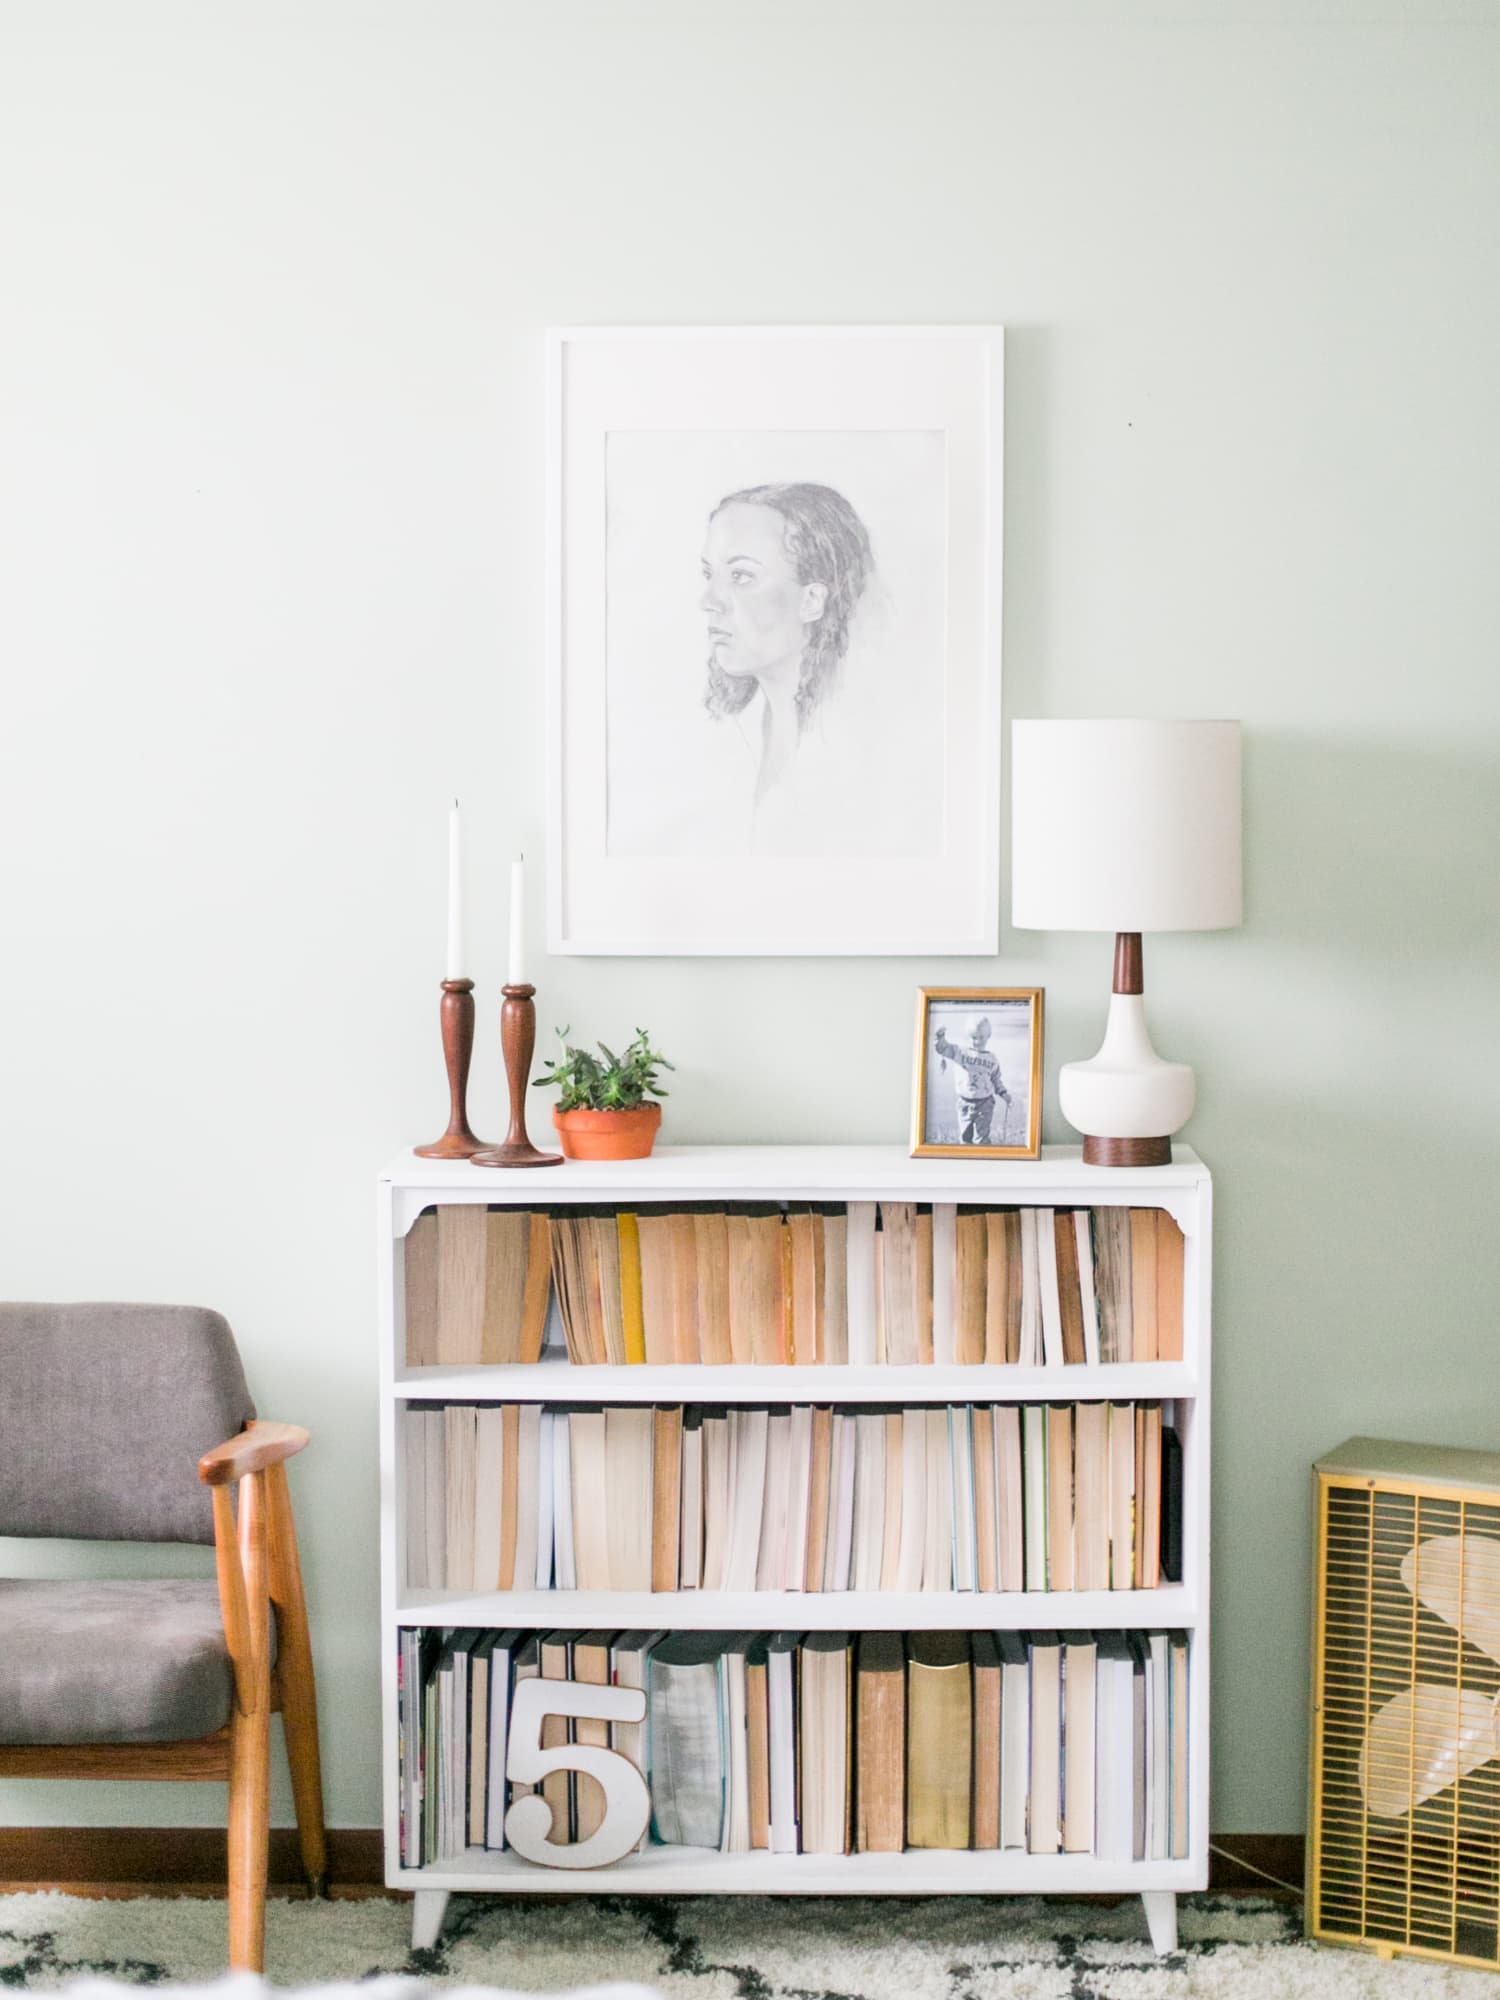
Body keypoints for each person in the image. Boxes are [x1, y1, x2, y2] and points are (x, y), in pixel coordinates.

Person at [700, 481, 873, 813]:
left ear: (811, 600)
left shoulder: (857, 745)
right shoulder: (731, 734)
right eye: (708, 574)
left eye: (740, 576)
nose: (707, 601)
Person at [934, 1015, 1011, 1145]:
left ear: (988, 1036)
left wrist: (1003, 1093)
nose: (977, 1041)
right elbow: (943, 1048)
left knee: (981, 1139)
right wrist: (939, 1037)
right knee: (965, 1138)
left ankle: (984, 1160)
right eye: (974, 1037)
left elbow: (996, 1079)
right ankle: (967, 1162)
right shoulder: (960, 1053)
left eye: (981, 1037)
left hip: (985, 1103)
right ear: (968, 1036)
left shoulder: (992, 1059)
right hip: (964, 1104)